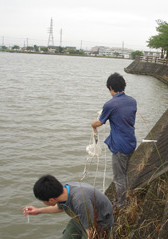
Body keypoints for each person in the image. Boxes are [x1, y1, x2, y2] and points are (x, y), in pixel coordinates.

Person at [91, 72, 137, 208]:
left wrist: (92, 124)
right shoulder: (132, 101)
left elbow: (100, 123)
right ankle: (126, 198)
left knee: (119, 178)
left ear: (111, 87)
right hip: (131, 142)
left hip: (120, 146)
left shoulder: (110, 104)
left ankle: (121, 205)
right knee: (125, 173)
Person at [23, 175, 113, 239]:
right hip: (80, 219)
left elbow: (91, 233)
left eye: (43, 201)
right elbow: (60, 207)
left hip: (99, 223)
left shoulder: (80, 202)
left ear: (51, 200)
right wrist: (37, 211)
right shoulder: (64, 190)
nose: (43, 202)